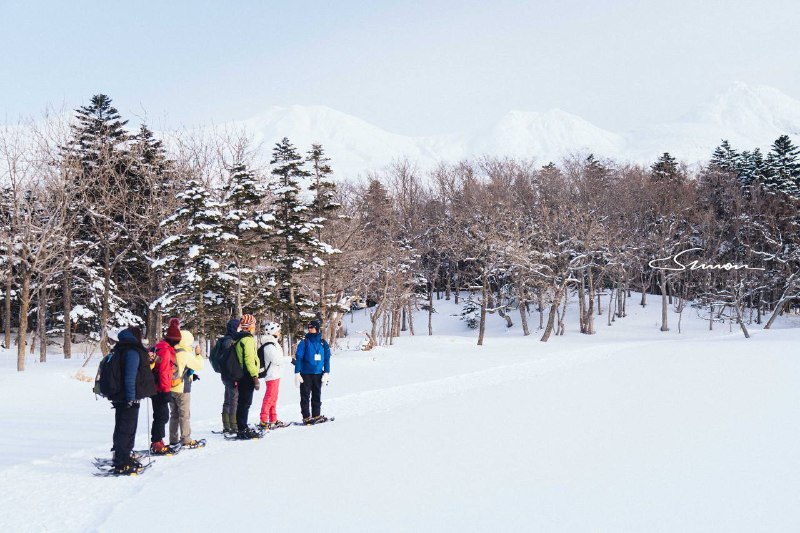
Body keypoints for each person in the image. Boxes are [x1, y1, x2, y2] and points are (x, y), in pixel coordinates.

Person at [110, 326, 156, 474]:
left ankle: (121, 456)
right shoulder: (132, 351)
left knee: (121, 428)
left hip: (120, 396)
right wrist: (131, 398)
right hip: (128, 397)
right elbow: (130, 377)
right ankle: (122, 462)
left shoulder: (121, 348)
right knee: (127, 430)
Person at [169, 329, 204, 448]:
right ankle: (186, 438)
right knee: (184, 415)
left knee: (173, 414)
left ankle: (173, 439)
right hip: (182, 388)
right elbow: (199, 365)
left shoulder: (172, 350)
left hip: (171, 387)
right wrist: (198, 354)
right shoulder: (185, 353)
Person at [149, 317, 180, 454]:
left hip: (154, 386)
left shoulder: (160, 347)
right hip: (160, 388)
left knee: (160, 415)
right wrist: (166, 390)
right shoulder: (166, 351)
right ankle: (157, 442)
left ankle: (157, 441)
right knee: (162, 416)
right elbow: (164, 372)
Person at [294, 319, 331, 424]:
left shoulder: (323, 343)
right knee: (305, 396)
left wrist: (327, 372)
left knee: (317, 395)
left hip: (318, 374)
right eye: (308, 328)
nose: (310, 329)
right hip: (305, 374)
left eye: (312, 327)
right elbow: (299, 357)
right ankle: (306, 417)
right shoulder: (304, 342)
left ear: (317, 329)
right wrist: (297, 372)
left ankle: (316, 415)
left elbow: (327, 359)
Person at [258, 321, 290, 429]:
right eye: (278, 331)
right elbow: (276, 360)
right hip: (271, 375)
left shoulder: (273, 343)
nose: (280, 333)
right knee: (269, 397)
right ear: (273, 332)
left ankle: (273, 419)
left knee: (274, 398)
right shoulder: (269, 345)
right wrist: (290, 359)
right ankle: (263, 420)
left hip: (276, 374)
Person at [234, 313, 262, 439]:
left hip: (241, 374)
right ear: (249, 326)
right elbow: (249, 360)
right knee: (245, 402)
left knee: (242, 402)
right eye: (253, 325)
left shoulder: (240, 338)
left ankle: (241, 425)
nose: (255, 327)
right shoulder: (248, 340)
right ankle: (242, 427)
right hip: (247, 376)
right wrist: (255, 377)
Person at [215, 318, 241, 435]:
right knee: (234, 399)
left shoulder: (224, 339)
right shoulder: (230, 341)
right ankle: (233, 425)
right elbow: (231, 359)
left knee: (227, 399)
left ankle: (226, 425)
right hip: (231, 374)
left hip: (225, 374)